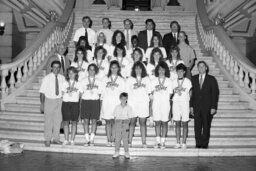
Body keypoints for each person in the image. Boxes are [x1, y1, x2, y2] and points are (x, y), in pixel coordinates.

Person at [190, 61, 219, 149]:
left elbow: (215, 93)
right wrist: (191, 106)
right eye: (199, 66)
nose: (201, 68)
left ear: (206, 68)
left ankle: (205, 143)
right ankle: (198, 143)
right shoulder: (193, 78)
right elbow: (192, 94)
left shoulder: (211, 79)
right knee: (197, 126)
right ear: (197, 68)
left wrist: (213, 107)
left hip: (207, 107)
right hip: (196, 106)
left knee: (206, 126)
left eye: (203, 66)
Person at [40, 60, 66, 147]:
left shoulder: (62, 78)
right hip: (49, 100)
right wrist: (42, 104)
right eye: (54, 67)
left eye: (58, 67)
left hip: (59, 100)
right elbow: (42, 92)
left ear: (59, 69)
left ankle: (56, 139)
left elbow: (64, 91)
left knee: (58, 121)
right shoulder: (46, 78)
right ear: (51, 68)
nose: (56, 69)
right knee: (48, 121)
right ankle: (47, 139)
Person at [101, 61, 126, 146]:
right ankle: (109, 140)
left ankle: (114, 139)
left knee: (116, 122)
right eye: (112, 67)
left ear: (118, 68)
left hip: (116, 103)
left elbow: (123, 93)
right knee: (108, 122)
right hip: (107, 103)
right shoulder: (105, 78)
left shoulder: (121, 79)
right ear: (110, 68)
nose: (114, 69)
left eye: (115, 67)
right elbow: (102, 92)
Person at [126, 61, 151, 148]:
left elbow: (149, 92)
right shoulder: (130, 79)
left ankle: (144, 142)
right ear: (134, 69)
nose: (138, 70)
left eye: (140, 68)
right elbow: (127, 93)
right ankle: (129, 141)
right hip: (132, 103)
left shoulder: (147, 79)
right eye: (136, 68)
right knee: (132, 122)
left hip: (143, 103)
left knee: (142, 123)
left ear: (142, 69)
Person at [150, 61, 173, 149]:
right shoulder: (153, 81)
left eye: (163, 70)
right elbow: (151, 94)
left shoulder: (169, 81)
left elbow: (170, 94)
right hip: (156, 104)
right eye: (159, 70)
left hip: (165, 104)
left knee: (164, 123)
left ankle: (163, 141)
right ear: (157, 70)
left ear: (165, 70)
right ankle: (157, 140)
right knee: (157, 122)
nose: (161, 71)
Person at [80, 63, 103, 146]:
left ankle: (92, 139)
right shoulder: (83, 81)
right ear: (88, 70)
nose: (92, 71)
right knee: (85, 121)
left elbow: (100, 94)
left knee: (94, 121)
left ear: (95, 71)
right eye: (90, 69)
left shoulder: (99, 81)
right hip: (85, 101)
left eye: (93, 69)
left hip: (95, 102)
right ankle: (86, 139)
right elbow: (81, 94)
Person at [172, 63, 192, 149]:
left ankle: (184, 142)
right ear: (176, 72)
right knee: (177, 122)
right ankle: (177, 142)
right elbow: (172, 92)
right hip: (176, 102)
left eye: (181, 71)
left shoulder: (187, 81)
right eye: (178, 71)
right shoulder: (173, 81)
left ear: (184, 72)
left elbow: (189, 93)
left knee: (184, 123)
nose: (179, 73)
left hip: (184, 103)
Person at [61, 67, 82, 146]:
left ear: (76, 74)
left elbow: (80, 95)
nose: (71, 75)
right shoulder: (64, 83)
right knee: (66, 122)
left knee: (74, 122)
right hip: (66, 103)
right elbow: (62, 94)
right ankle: (66, 139)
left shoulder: (79, 84)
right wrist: (68, 92)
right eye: (69, 73)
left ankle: (72, 140)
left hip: (75, 103)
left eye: (72, 73)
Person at [112, 92, 134, 159]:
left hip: (125, 123)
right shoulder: (117, 107)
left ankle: (126, 152)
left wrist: (126, 124)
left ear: (127, 99)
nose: (123, 100)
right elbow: (115, 117)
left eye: (125, 99)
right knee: (117, 139)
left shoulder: (129, 107)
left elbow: (130, 117)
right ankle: (116, 152)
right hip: (118, 123)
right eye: (122, 99)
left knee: (125, 139)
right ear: (120, 99)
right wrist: (117, 124)